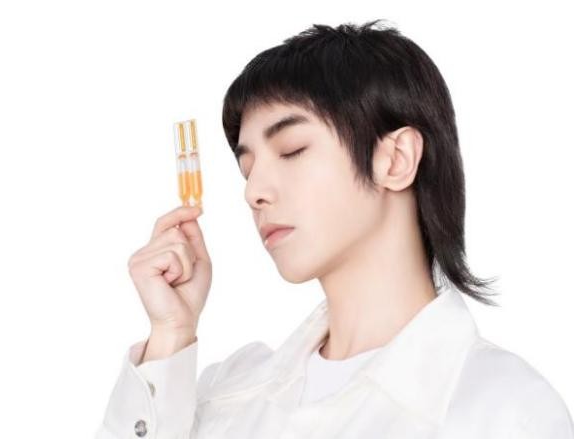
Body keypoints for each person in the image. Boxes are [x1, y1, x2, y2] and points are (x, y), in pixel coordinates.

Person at [95, 19, 574, 438]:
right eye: (247, 169)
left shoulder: (505, 410)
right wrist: (171, 334)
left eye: (291, 151)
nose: (254, 192)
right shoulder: (229, 393)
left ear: (395, 159)